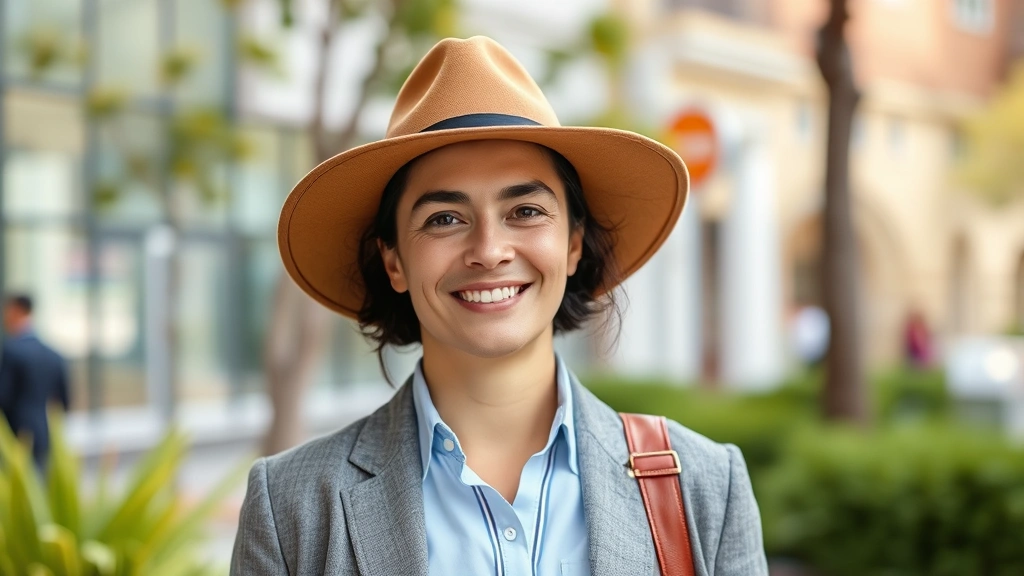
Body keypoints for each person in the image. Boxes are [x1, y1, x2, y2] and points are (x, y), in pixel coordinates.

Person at [232, 36, 767, 575]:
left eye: (526, 210)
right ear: (393, 261)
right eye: (444, 218)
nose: (489, 251)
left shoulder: (702, 487)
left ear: (573, 244)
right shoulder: (292, 508)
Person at [0, 294, 70, 470]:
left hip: (15, 436)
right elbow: (64, 402)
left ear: (16, 311)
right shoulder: (53, 355)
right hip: (43, 434)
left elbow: (4, 397)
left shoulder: (12, 351)